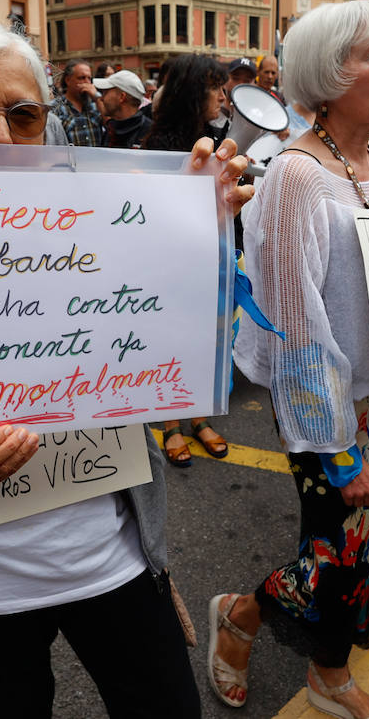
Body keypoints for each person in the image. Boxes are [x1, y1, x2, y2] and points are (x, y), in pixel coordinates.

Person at [0, 22, 251, 719]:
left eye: (23, 117)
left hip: (112, 561)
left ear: (46, 126)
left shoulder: (98, 229)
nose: (0, 139)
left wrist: (191, 239)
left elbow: (164, 363)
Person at [211, 0, 369, 719]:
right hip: (324, 410)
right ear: (327, 76)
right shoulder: (296, 178)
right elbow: (294, 327)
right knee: (335, 553)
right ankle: (244, 618)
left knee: (366, 543)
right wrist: (339, 450)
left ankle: (324, 669)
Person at [143, 53, 234, 465]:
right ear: (191, 93)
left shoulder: (214, 139)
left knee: (202, 343)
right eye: (214, 86)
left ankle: (196, 416)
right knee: (168, 343)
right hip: (167, 270)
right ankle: (170, 425)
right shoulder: (154, 146)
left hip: (205, 264)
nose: (222, 94)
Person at [49, 60, 105, 146]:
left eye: (89, 78)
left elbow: (111, 125)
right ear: (68, 80)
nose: (86, 82)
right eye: (81, 78)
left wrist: (97, 97)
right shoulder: (55, 107)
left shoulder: (96, 105)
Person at [94, 69, 151, 147]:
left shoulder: (150, 134)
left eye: (105, 92)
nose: (101, 98)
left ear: (121, 97)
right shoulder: (111, 129)